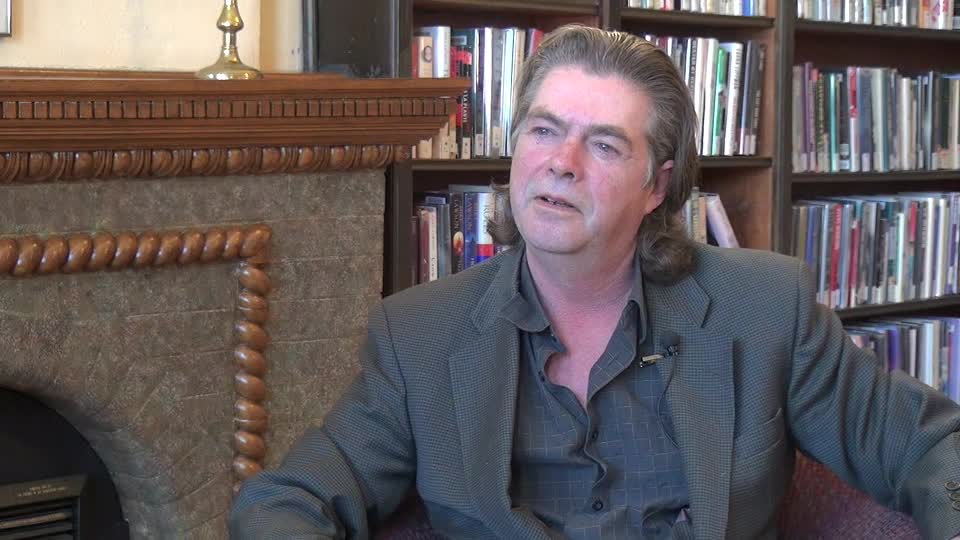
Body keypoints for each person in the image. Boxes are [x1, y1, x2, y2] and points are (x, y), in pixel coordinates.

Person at [230, 24, 960, 539]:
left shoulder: (765, 308)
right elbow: (286, 502)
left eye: (604, 144)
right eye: (544, 130)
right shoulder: (419, 336)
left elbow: (933, 449)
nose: (562, 162)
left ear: (657, 186)